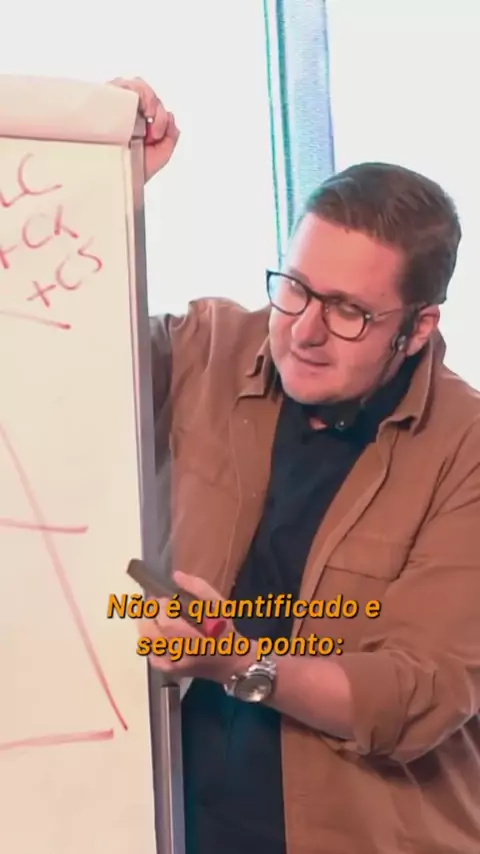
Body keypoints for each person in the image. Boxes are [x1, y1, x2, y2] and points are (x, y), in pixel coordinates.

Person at [112, 78, 480, 854]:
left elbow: (416, 694)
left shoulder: (466, 449)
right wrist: (102, 187)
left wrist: (236, 660)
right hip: (172, 826)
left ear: (417, 329)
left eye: (348, 311)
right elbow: (49, 349)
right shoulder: (209, 346)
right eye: (296, 289)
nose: (305, 331)